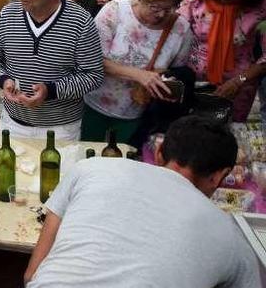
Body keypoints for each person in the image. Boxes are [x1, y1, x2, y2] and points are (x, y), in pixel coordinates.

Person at [25, 116, 261, 288]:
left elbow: (32, 275)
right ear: (220, 176)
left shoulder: (89, 169)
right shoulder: (231, 237)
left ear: (158, 153)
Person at [0, 0, 104, 140]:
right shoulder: (7, 15)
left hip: (61, 129)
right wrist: (3, 79)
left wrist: (51, 90)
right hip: (13, 123)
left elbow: (93, 75)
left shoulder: (80, 21)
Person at [82, 0, 192, 143]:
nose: (161, 14)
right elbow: (91, 59)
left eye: (170, 8)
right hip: (94, 105)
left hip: (137, 113)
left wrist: (165, 83)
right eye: (155, 6)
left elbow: (178, 74)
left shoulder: (181, 29)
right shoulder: (114, 12)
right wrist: (138, 75)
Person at [178, 0, 266, 122]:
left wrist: (238, 81)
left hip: (239, 85)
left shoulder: (261, 5)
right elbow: (176, 31)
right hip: (194, 83)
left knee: (226, 136)